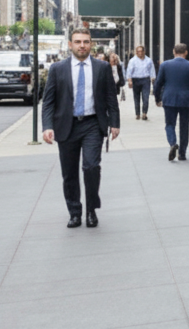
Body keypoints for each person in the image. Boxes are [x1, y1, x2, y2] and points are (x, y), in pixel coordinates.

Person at [41, 28, 119, 228]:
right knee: (69, 173)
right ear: (70, 44)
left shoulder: (102, 67)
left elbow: (111, 97)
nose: (82, 45)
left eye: (85, 41)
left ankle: (91, 209)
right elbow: (48, 101)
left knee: (91, 167)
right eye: (77, 42)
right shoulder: (58, 69)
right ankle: (74, 211)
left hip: (93, 124)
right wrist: (47, 126)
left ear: (91, 44)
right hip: (66, 126)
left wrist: (115, 123)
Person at [153, 43, 189, 162]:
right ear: (186, 53)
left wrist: (157, 98)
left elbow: (158, 83)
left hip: (169, 99)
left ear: (174, 52)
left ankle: (173, 143)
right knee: (184, 127)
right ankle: (182, 153)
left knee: (170, 124)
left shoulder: (165, 65)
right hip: (186, 100)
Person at [125, 45, 155, 121]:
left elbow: (152, 70)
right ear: (136, 52)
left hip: (145, 80)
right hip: (136, 80)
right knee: (136, 97)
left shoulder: (149, 60)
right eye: (138, 51)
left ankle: (144, 113)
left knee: (146, 97)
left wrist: (153, 79)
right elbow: (129, 71)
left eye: (141, 51)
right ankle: (137, 113)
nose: (140, 53)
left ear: (144, 51)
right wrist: (129, 80)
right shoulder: (132, 61)